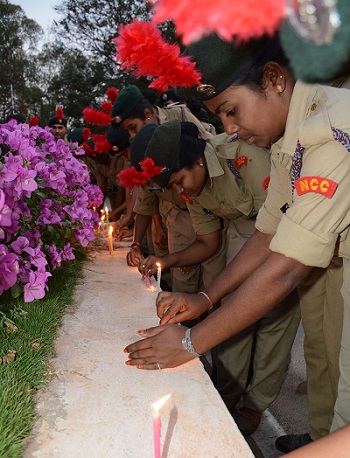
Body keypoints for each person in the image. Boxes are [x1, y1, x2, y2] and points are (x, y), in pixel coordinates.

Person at [123, 33, 349, 453]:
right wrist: (207, 298)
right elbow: (269, 230)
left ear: (274, 79)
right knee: (329, 377)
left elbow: (287, 266)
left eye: (231, 110)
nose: (228, 128)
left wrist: (191, 342)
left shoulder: (328, 130)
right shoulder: (290, 139)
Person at [131, 119, 300, 436]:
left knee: (276, 319)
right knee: (231, 313)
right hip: (245, 232)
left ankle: (254, 405)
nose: (181, 191)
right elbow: (209, 243)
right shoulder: (192, 186)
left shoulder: (245, 158)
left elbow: (276, 232)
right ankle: (226, 396)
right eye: (174, 187)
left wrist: (203, 301)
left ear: (197, 159)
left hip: (286, 231)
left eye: (180, 181)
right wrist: (167, 262)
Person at [111, 85, 215, 294]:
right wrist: (136, 244)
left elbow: (207, 156)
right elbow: (146, 199)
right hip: (179, 215)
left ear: (148, 115)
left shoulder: (179, 117)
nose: (132, 136)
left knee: (214, 281)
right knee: (182, 282)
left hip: (210, 207)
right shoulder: (143, 156)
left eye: (133, 127)